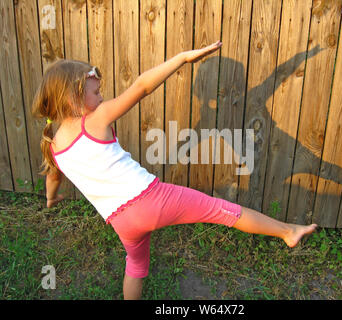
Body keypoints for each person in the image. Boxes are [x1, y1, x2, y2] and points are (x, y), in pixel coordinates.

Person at [32, 40, 318, 300]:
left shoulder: (54, 145)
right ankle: (287, 231)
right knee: (221, 210)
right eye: (96, 93)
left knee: (136, 265)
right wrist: (181, 58)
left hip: (121, 222)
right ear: (74, 98)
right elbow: (142, 87)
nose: (102, 97)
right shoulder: (94, 120)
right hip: (151, 200)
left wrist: (50, 199)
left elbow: (53, 177)